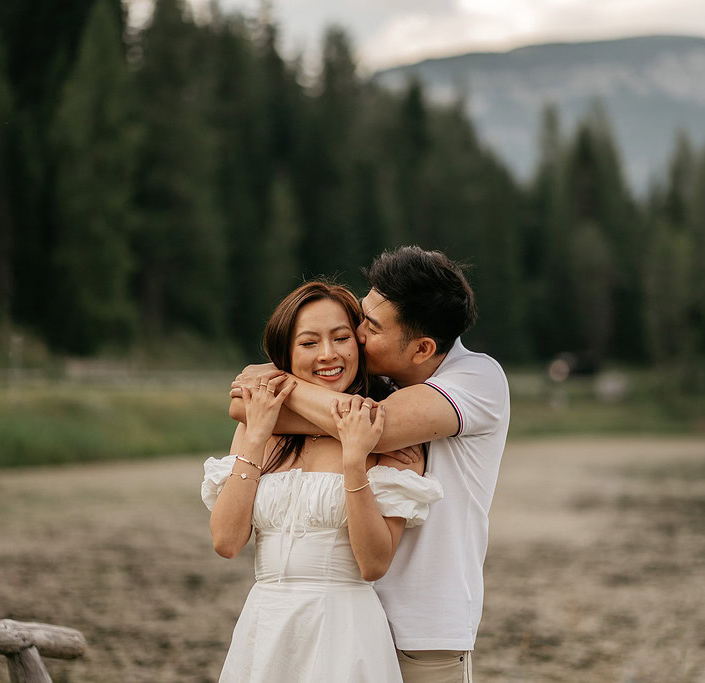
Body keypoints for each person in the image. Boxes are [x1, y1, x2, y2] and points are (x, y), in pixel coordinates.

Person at [231, 247, 510, 682]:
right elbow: (243, 407)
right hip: (347, 620)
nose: (356, 334)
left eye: (371, 327)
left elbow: (370, 428)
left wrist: (273, 384)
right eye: (362, 316)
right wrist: (261, 398)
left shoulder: (477, 379)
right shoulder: (377, 384)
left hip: (422, 631)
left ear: (422, 348)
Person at [203, 281, 443, 682]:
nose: (328, 355)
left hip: (343, 629)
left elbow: (373, 564)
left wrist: (354, 461)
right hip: (265, 623)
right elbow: (226, 542)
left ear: (359, 344)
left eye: (341, 338)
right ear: (287, 354)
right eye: (309, 343)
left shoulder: (384, 433)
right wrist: (257, 435)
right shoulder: (259, 422)